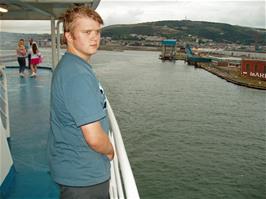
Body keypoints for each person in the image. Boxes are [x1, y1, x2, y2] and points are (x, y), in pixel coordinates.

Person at [48, 5, 114, 199]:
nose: (95, 38)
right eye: (87, 32)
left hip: (74, 169)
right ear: (69, 36)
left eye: (97, 32)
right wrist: (110, 151)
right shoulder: (77, 75)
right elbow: (93, 137)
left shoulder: (72, 65)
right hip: (84, 177)